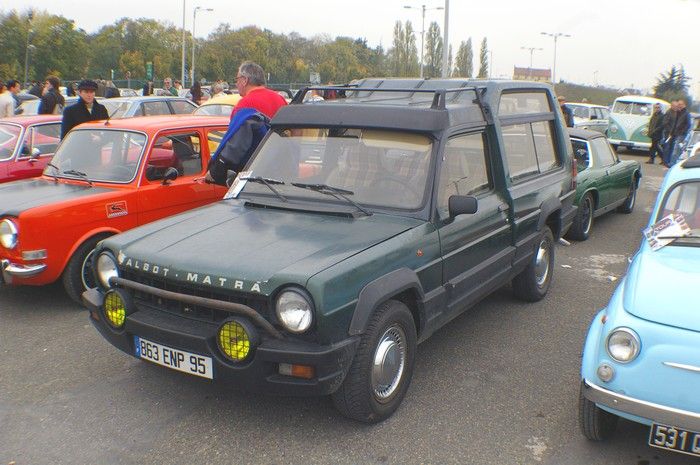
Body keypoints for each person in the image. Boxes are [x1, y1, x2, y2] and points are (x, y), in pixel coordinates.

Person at [205, 108, 270, 185]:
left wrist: (215, 172)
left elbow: (232, 150)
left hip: (251, 177)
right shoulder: (265, 124)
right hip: (266, 172)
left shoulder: (247, 121)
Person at [668, 98, 692, 166]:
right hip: (675, 134)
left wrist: (683, 132)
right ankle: (672, 163)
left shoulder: (686, 113)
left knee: (676, 150)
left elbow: (688, 124)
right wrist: (671, 132)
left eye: (680, 104)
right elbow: (675, 123)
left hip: (681, 135)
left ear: (684, 105)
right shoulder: (678, 112)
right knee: (674, 149)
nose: (678, 105)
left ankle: (672, 164)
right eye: (678, 104)